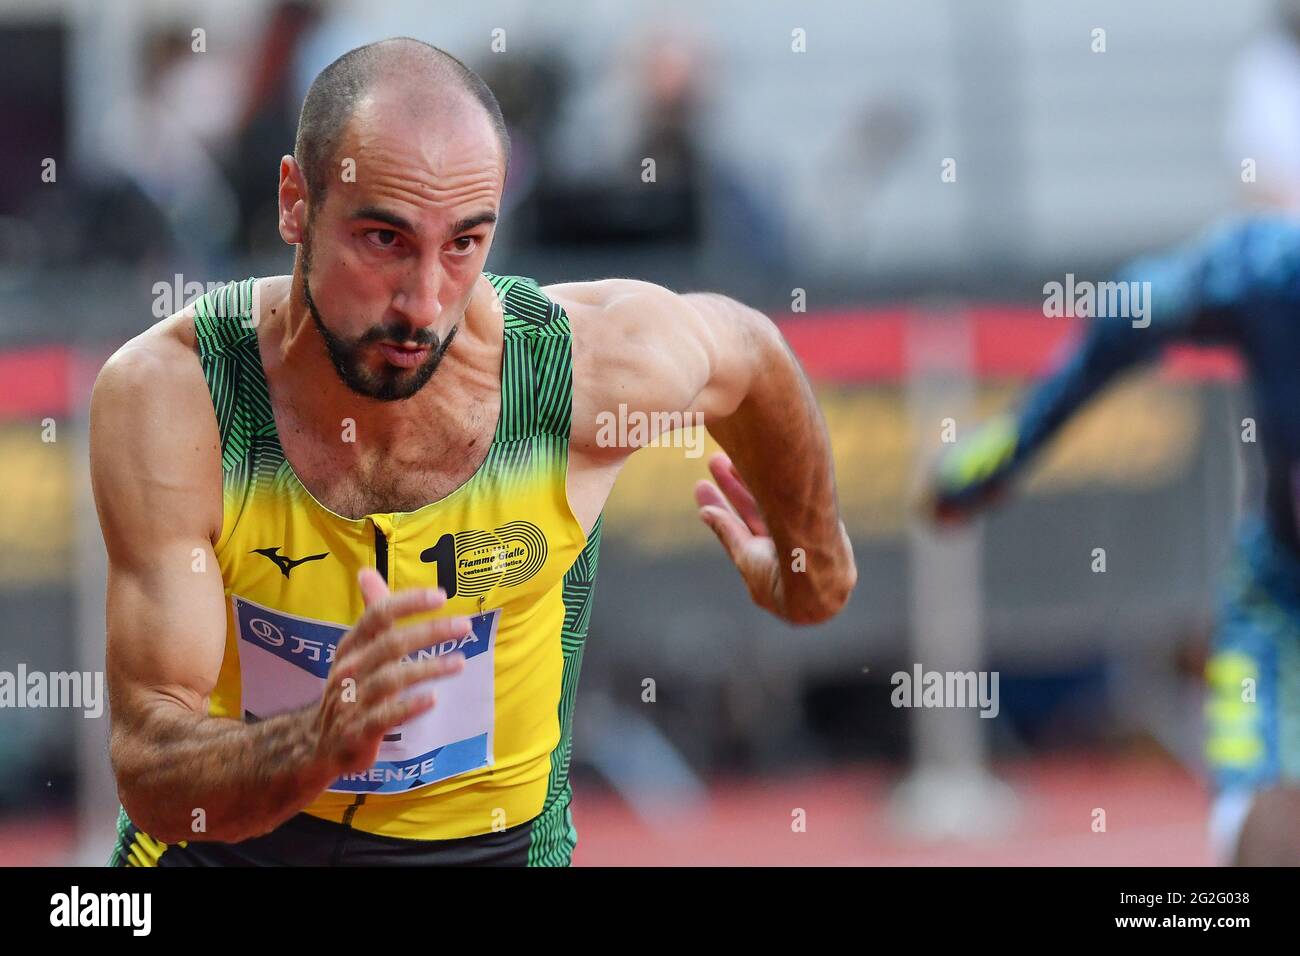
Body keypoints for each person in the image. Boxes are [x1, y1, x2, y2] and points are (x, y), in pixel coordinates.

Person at [92, 37, 856, 866]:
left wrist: (817, 567)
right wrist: (315, 743)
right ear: (294, 204)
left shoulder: (582, 372)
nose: (423, 303)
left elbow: (752, 352)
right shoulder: (177, 396)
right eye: (383, 239)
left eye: (463, 243)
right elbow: (150, 768)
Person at [922, 215, 1300, 865]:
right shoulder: (1266, 273)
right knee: (1263, 841)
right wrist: (1019, 440)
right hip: (1275, 602)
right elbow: (1135, 308)